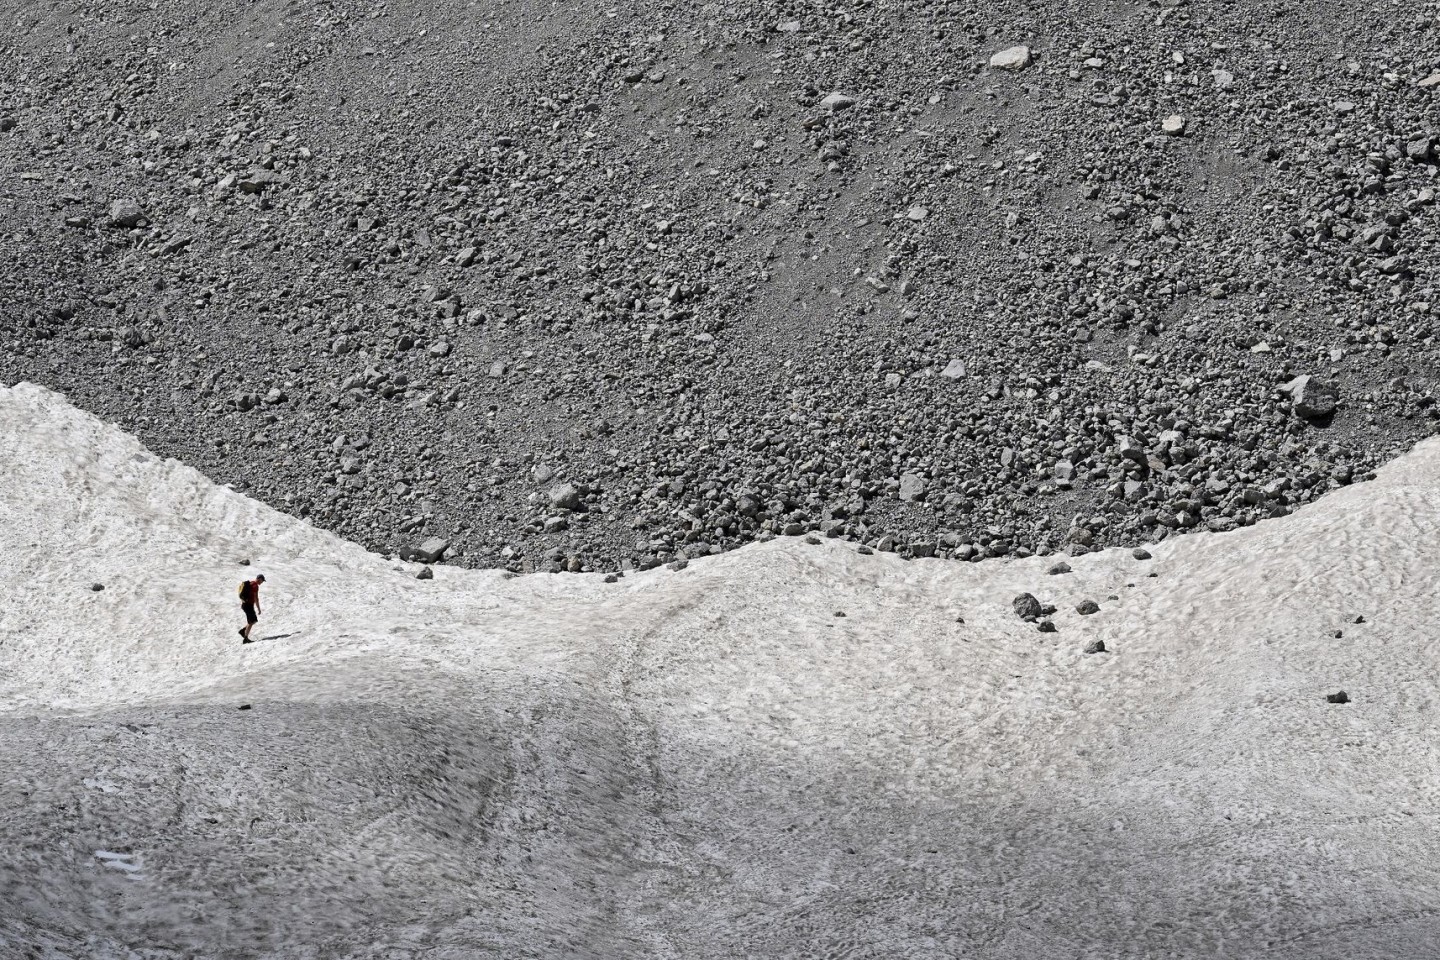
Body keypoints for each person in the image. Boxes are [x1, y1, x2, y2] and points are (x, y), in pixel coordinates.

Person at [239, 574, 265, 644]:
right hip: (248, 606)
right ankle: (245, 638)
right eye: (262, 581)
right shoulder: (255, 586)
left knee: (253, 620)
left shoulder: (251, 583)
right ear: (259, 579)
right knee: (251, 621)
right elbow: (256, 598)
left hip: (245, 605)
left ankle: (243, 631)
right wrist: (259, 609)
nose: (262, 583)